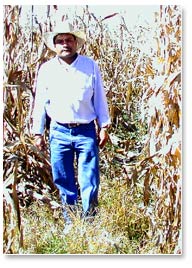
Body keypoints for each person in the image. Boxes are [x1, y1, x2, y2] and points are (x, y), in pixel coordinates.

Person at [32, 21, 111, 227]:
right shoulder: (47, 69)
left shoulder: (90, 66)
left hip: (86, 130)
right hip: (58, 131)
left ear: (76, 43)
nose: (65, 44)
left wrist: (104, 126)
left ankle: (89, 222)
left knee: (90, 179)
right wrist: (38, 132)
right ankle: (71, 221)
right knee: (63, 178)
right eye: (60, 41)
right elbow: (40, 101)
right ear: (55, 45)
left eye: (69, 40)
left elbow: (99, 98)